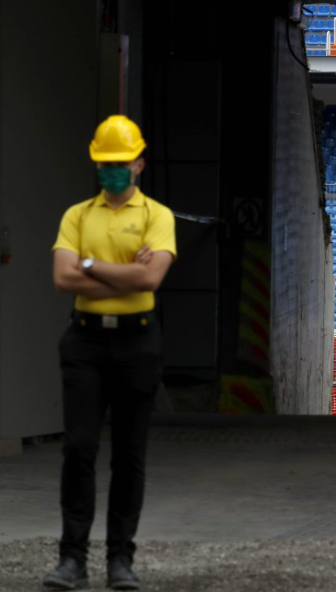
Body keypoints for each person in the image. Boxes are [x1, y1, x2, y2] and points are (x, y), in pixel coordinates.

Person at [43, 115, 176, 591]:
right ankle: (71, 560)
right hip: (86, 342)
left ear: (138, 164)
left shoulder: (157, 216)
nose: (113, 170)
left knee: (129, 454)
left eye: (121, 163)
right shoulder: (77, 215)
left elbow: (150, 281)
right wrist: (121, 271)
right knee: (78, 447)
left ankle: (121, 559)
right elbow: (63, 279)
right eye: (105, 163)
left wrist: (90, 264)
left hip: (136, 343)